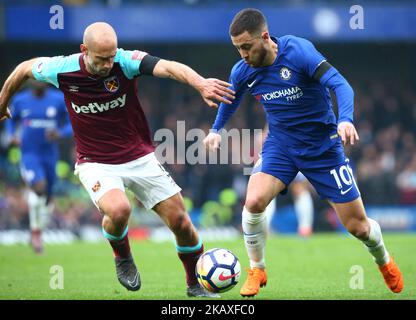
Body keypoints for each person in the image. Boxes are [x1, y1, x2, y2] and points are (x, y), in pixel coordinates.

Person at [0, 22, 235, 298]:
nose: (108, 63)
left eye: (111, 55)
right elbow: (25, 67)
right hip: (95, 161)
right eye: (102, 58)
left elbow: (169, 67)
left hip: (139, 156)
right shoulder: (61, 69)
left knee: (181, 223)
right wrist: (3, 102)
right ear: (84, 50)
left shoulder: (125, 62)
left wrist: (200, 83)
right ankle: (122, 255)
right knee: (120, 210)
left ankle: (194, 285)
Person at [203, 8, 403, 297]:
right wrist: (215, 129)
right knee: (254, 200)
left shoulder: (298, 52)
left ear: (265, 37)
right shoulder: (243, 70)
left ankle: (383, 260)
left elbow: (340, 84)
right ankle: (257, 269)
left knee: (358, 227)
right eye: (237, 49)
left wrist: (345, 118)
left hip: (323, 148)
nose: (243, 55)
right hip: (281, 145)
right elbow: (230, 99)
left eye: (247, 47)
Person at [5, 80, 72, 254]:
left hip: (50, 154)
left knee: (48, 197)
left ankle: (38, 230)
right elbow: (10, 119)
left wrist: (60, 132)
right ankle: (35, 232)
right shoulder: (20, 100)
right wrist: (11, 135)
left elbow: (73, 122)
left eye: (41, 78)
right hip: (29, 153)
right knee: (39, 188)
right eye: (33, 77)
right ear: (28, 80)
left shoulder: (58, 98)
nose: (38, 81)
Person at [255, 126, 314, 237]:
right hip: (281, 157)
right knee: (269, 192)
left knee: (298, 189)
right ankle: (305, 228)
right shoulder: (277, 119)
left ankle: (305, 228)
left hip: (286, 157)